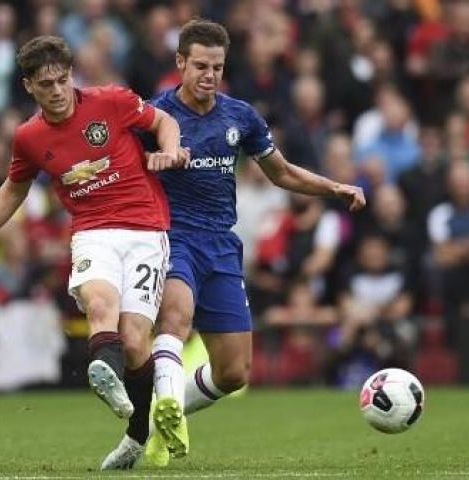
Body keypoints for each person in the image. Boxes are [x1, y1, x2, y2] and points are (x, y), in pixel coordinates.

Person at [102, 19, 366, 468]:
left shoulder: (240, 116)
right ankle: (161, 413)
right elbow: (120, 169)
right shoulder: (154, 115)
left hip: (222, 245)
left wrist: (333, 187)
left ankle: (149, 422)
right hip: (171, 237)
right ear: (180, 63)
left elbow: (281, 172)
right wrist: (151, 159)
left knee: (233, 372)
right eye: (201, 65)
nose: (209, 75)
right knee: (176, 318)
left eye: (218, 67)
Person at [0, 35, 183, 469]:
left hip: (146, 229)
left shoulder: (111, 100)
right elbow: (14, 188)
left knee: (133, 341)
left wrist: (168, 150)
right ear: (28, 85)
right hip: (92, 232)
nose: (56, 90)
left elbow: (163, 121)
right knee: (100, 303)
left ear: (72, 76)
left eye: (62, 79)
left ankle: (137, 432)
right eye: (45, 83)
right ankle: (103, 373)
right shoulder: (29, 137)